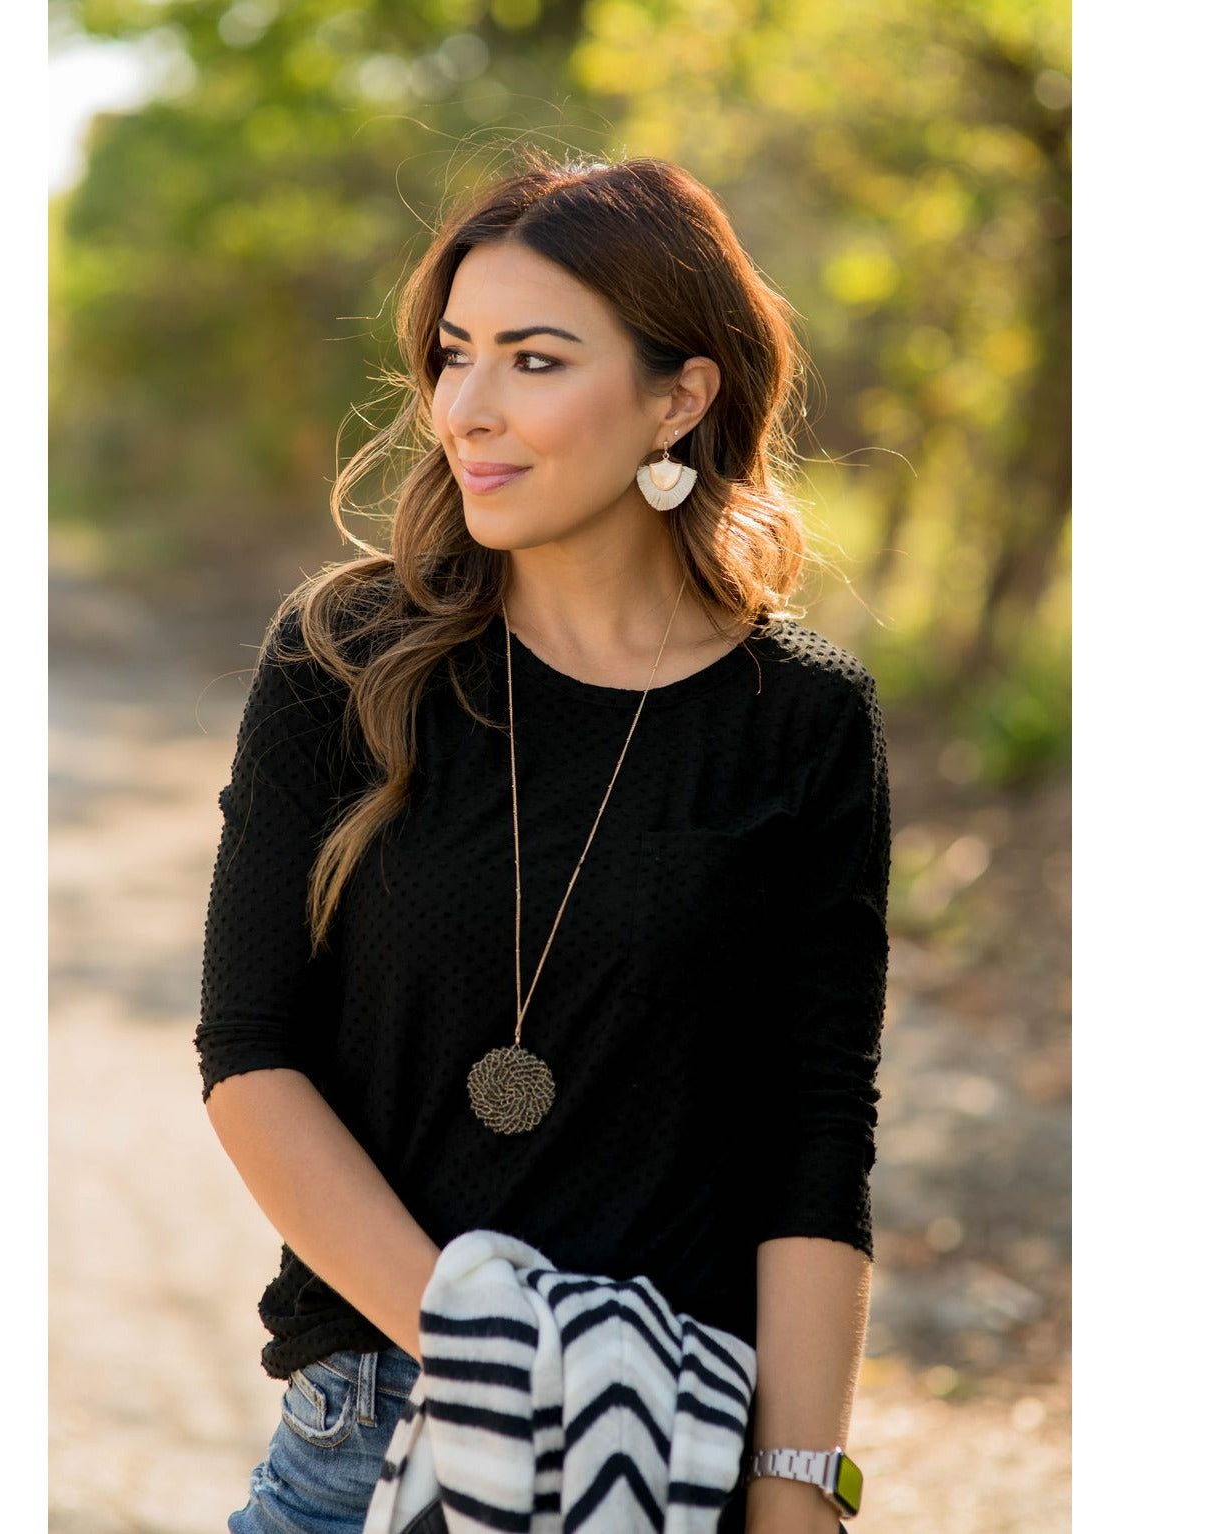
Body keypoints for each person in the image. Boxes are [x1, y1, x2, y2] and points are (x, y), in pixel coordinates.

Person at [196, 150, 891, 1534]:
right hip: (373, 1429)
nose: (468, 407)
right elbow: (250, 1054)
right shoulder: (345, 657)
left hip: (667, 1451)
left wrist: (799, 1486)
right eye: (455, 355)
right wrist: (490, 1365)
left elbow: (813, 1130)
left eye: (535, 360)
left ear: (678, 397)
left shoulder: (803, 718)